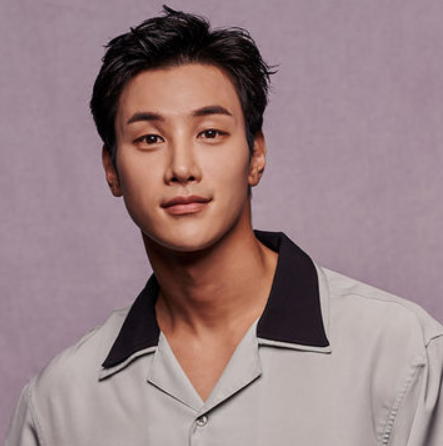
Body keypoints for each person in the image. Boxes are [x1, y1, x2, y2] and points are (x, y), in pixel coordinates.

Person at [6, 5, 443, 445]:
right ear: (112, 169)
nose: (181, 167)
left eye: (210, 133)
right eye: (150, 139)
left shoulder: (402, 354)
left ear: (256, 155)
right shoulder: (58, 403)